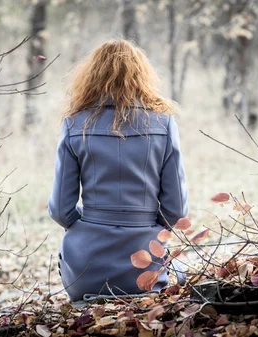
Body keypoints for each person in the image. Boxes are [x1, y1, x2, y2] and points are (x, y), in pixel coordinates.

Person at [47, 39, 189, 302]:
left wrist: (92, 221)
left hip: (85, 271)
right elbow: (176, 210)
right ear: (141, 76)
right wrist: (143, 225)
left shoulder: (74, 126)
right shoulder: (164, 125)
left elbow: (60, 210)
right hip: (145, 270)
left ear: (91, 77)